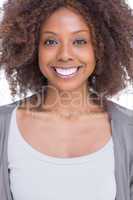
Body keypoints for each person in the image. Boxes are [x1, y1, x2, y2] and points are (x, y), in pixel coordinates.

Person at [0, 0, 133, 200]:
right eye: (51, 41)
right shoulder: (4, 127)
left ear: (101, 48)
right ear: (32, 47)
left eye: (79, 41)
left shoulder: (128, 130)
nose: (65, 55)